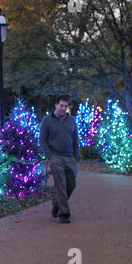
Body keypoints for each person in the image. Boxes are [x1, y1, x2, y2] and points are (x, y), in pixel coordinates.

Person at [39, 95, 79, 224]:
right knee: (61, 184)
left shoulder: (71, 120)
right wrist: (50, 156)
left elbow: (76, 140)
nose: (63, 108)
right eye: (61, 105)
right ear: (56, 105)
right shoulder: (47, 120)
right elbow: (42, 140)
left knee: (71, 185)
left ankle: (57, 202)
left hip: (70, 157)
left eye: (65, 106)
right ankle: (64, 213)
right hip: (55, 157)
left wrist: (76, 158)